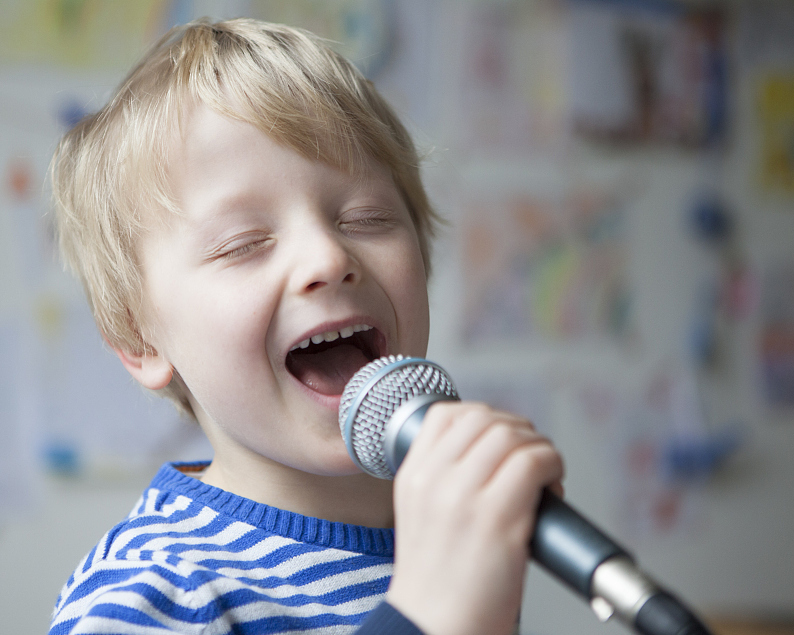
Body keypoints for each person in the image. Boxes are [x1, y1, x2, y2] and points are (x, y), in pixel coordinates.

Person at [48, 17, 563, 635]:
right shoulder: (151, 588)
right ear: (140, 338)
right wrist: (425, 616)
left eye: (366, 217)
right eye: (244, 243)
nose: (327, 258)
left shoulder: (446, 531)